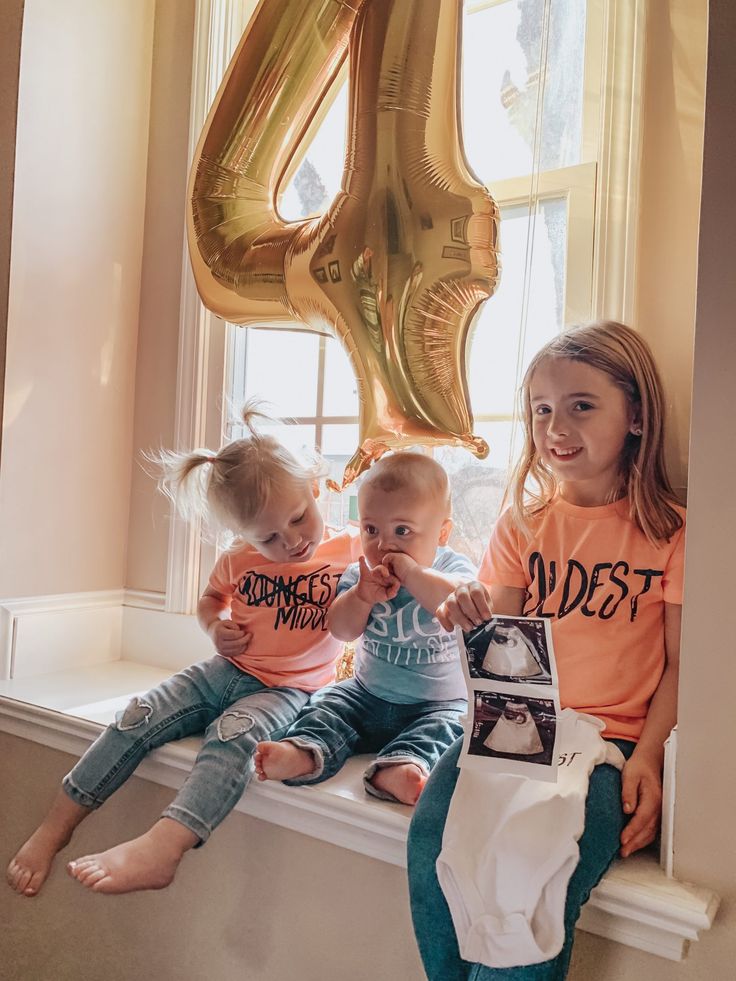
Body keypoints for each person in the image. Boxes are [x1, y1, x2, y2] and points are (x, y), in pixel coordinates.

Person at [407, 321, 686, 979]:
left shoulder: (670, 533)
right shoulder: (525, 523)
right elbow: (496, 638)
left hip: (606, 745)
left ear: (637, 415)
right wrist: (462, 614)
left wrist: (648, 755)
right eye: (542, 409)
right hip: (518, 725)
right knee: (432, 838)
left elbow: (680, 664)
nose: (556, 426)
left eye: (581, 406)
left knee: (539, 875)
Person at [6, 404, 360, 896]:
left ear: (316, 488)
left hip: (288, 690)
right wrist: (215, 626)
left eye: (300, 518)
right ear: (244, 535)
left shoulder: (349, 551)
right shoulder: (239, 558)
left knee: (234, 739)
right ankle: (58, 823)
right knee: (137, 715)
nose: (293, 542)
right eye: (269, 537)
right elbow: (210, 600)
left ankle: (166, 846)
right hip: (222, 668)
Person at [254, 452, 477, 805]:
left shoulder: (452, 568)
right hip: (365, 694)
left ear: (442, 533)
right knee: (329, 702)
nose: (384, 544)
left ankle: (402, 768)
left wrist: (414, 575)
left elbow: (460, 605)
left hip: (435, 704)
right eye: (372, 530)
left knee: (454, 725)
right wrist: (361, 597)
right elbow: (341, 630)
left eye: (402, 531)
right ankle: (305, 751)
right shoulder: (362, 574)